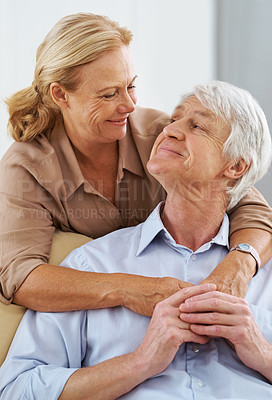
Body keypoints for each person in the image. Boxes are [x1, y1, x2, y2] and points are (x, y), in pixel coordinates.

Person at [1, 81, 272, 400]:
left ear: (236, 166)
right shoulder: (90, 264)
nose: (169, 130)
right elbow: (16, 389)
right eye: (173, 120)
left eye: (197, 125)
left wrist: (261, 352)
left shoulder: (258, 266)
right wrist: (140, 362)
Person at [0, 13, 271, 316]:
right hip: (103, 318)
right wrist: (133, 289)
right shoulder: (27, 167)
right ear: (61, 95)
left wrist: (241, 263)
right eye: (109, 94)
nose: (129, 106)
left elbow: (251, 205)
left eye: (130, 86)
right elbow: (20, 277)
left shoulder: (160, 134)